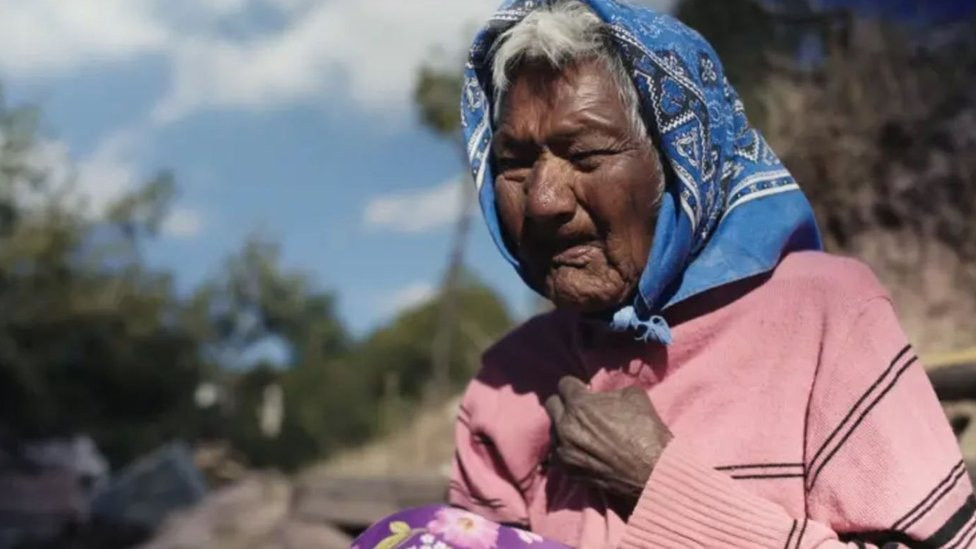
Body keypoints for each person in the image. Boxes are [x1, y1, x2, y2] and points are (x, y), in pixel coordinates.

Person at [357, 1, 974, 547]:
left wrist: (657, 480)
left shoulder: (825, 316)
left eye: (588, 154)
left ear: (682, 166)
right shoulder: (508, 383)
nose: (543, 199)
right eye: (514, 163)